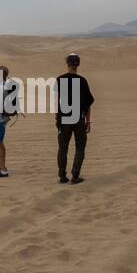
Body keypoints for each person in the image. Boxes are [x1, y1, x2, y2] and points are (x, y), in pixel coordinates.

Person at [55, 53, 94, 184]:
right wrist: (88, 121)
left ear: (67, 64)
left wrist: (57, 118)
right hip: (78, 119)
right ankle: (75, 175)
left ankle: (62, 175)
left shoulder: (60, 79)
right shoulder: (82, 81)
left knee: (63, 147)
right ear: (78, 65)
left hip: (64, 119)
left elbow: (57, 101)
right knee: (80, 147)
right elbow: (88, 104)